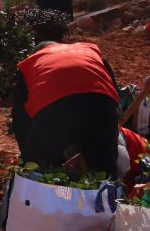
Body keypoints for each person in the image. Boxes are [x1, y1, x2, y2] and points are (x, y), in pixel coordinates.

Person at [12, 41, 120, 174]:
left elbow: (20, 119)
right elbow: (114, 99)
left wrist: (28, 157)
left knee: (42, 170)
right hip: (100, 101)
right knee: (103, 166)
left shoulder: (31, 63)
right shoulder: (90, 52)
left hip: (53, 108)